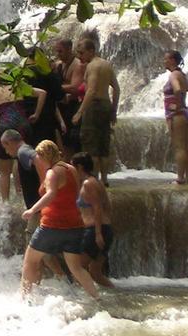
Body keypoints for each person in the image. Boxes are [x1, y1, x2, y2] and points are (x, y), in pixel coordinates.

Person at [20, 140, 99, 299]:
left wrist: (32, 210)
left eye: (39, 157)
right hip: (74, 225)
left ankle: (24, 298)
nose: (39, 161)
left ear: (44, 155)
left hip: (51, 225)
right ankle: (97, 298)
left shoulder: (52, 173)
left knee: (30, 262)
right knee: (76, 268)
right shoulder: (71, 169)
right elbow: (74, 193)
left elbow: (51, 194)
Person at [0, 70, 45, 202]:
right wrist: (37, 114)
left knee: (4, 171)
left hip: (4, 127)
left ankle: (5, 202)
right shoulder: (18, 88)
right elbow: (42, 93)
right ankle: (20, 192)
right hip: (22, 125)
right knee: (21, 160)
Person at [72, 37, 120, 186]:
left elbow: (91, 91)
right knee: (103, 146)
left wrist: (80, 112)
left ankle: (94, 179)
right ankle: (104, 180)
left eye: (81, 53)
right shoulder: (106, 64)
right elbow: (117, 89)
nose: (79, 56)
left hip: (93, 106)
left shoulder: (92, 66)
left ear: (91, 51)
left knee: (91, 146)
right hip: (106, 105)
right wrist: (114, 110)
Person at [72, 152, 115, 288]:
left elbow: (97, 208)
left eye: (73, 166)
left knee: (78, 269)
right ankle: (115, 295)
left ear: (79, 167)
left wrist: (97, 233)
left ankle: (80, 300)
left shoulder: (88, 184)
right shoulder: (96, 182)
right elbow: (107, 206)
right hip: (105, 229)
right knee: (95, 272)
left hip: (95, 231)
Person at [163, 49, 188, 184]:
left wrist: (177, 106)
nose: (164, 61)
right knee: (186, 147)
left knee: (179, 147)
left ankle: (180, 178)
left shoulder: (173, 76)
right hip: (184, 115)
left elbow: (176, 89)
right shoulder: (182, 75)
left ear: (172, 60)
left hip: (177, 116)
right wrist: (186, 107)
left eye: (166, 59)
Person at [54, 37, 85, 158]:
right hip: (62, 107)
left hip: (73, 107)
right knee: (63, 140)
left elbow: (75, 88)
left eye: (60, 51)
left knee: (72, 141)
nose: (58, 54)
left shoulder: (77, 65)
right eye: (57, 51)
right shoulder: (59, 65)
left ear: (69, 49)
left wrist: (56, 87)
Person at [0, 129, 42, 210]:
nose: (6, 152)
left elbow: (40, 160)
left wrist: (44, 184)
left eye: (5, 148)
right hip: (36, 205)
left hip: (37, 205)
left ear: (8, 143)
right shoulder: (25, 149)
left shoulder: (23, 152)